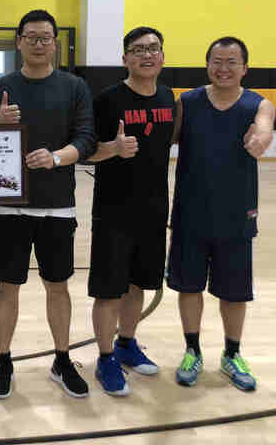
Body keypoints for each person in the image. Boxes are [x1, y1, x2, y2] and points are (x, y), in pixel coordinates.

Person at [0, 9, 97, 399]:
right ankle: (3, 360)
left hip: (57, 206)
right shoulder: (2, 87)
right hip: (9, 205)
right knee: (7, 284)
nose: (38, 44)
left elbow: (86, 139)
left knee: (57, 285)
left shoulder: (74, 87)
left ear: (55, 43)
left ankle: (62, 359)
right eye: (30, 37)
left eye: (45, 37)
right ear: (19, 42)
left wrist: (57, 157)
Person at [167, 36, 276, 392]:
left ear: (245, 68)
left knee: (234, 291)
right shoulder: (188, 103)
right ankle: (192, 350)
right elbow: (163, 140)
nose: (223, 68)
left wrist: (259, 140)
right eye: (217, 61)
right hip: (190, 212)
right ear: (207, 64)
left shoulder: (259, 105)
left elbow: (264, 129)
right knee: (189, 286)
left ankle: (232, 354)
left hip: (236, 214)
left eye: (232, 62)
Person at [87, 27, 177, 396]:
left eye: (153, 48)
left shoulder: (169, 97)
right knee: (109, 290)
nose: (147, 55)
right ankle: (105, 357)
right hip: (113, 209)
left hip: (153, 208)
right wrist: (114, 148)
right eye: (138, 49)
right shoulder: (108, 100)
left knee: (139, 283)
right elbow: (86, 151)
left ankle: (126, 342)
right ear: (125, 58)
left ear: (162, 57)